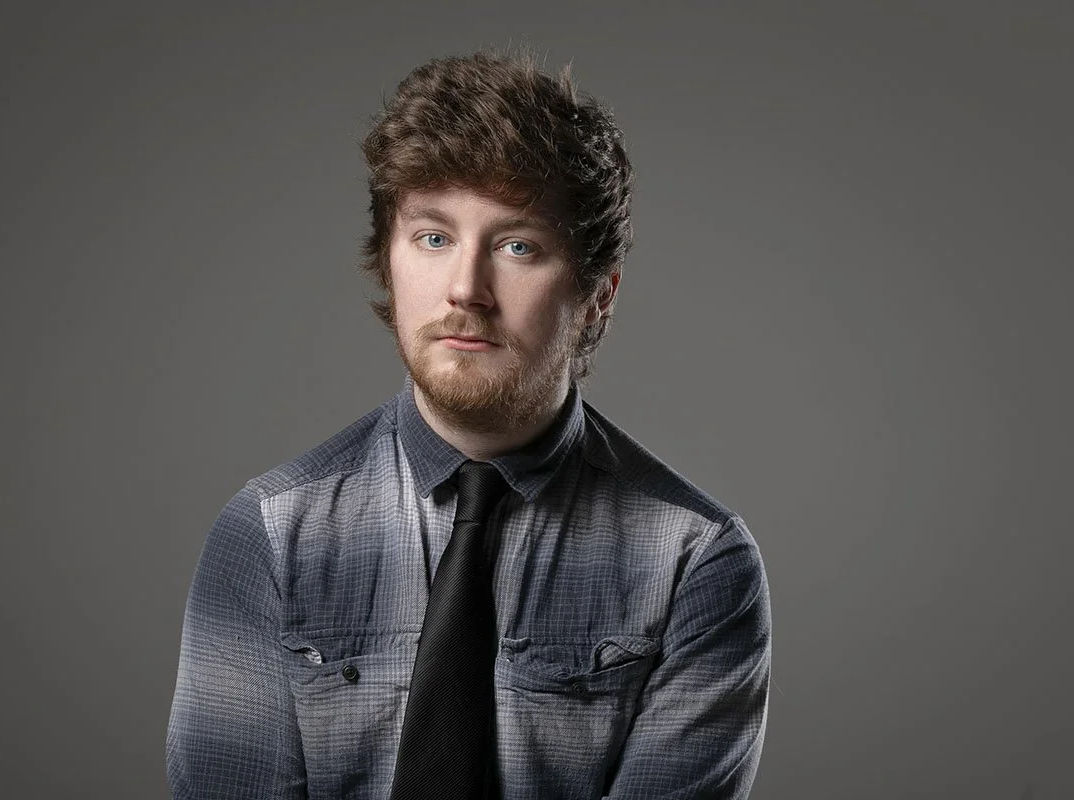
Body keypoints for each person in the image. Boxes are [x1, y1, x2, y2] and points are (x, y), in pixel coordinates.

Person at [166, 51, 771, 800]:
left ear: (596, 295)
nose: (465, 290)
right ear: (388, 263)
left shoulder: (695, 564)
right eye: (433, 237)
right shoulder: (268, 535)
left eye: (518, 246)